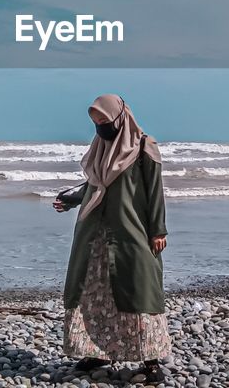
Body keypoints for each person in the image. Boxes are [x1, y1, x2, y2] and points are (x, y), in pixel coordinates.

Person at [53, 94, 171, 382]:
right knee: (93, 291)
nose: (101, 128)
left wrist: (158, 230)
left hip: (131, 232)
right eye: (96, 123)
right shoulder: (101, 149)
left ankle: (151, 359)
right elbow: (95, 185)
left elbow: (154, 192)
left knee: (139, 290)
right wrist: (69, 199)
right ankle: (96, 351)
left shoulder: (144, 147)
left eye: (104, 121)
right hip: (94, 233)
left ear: (120, 118)